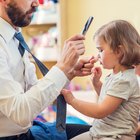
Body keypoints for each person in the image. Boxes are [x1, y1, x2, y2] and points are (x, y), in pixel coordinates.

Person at [0, 0, 96, 139]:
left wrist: (69, 72)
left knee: (97, 132)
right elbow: (20, 113)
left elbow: (32, 93)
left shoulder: (14, 37)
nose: (36, 4)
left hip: (28, 132)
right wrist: (62, 67)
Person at [62, 20, 140, 140]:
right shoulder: (116, 76)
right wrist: (97, 84)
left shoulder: (125, 80)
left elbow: (101, 111)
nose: (98, 55)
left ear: (118, 51)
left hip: (114, 137)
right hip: (100, 133)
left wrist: (72, 100)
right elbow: (109, 101)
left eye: (100, 50)